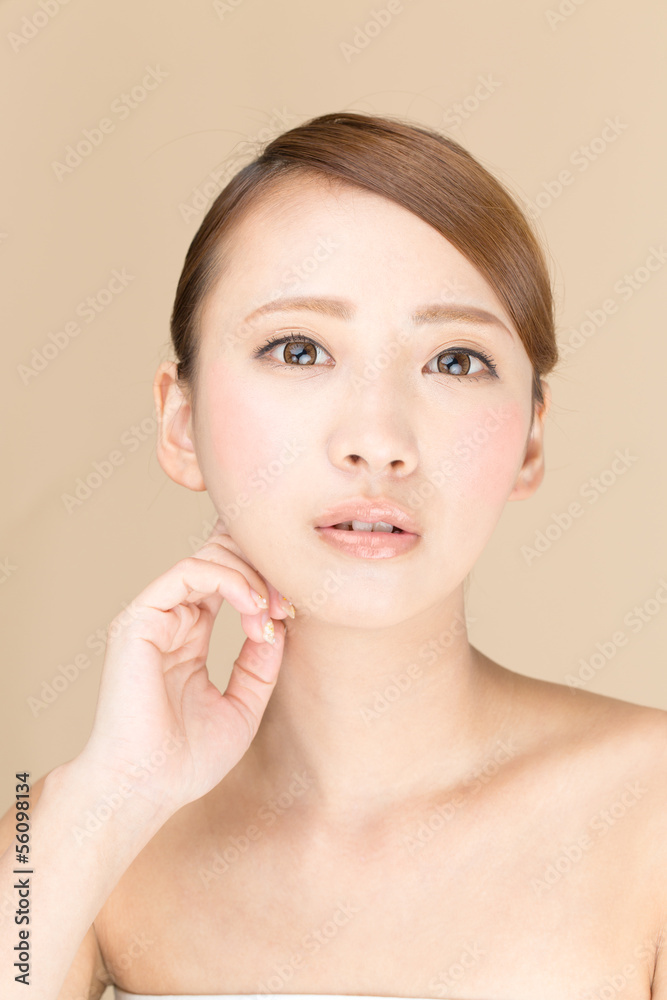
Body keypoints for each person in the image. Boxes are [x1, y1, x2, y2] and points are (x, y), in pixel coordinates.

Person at [1, 110, 666, 1000]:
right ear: (180, 422)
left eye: (455, 361)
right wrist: (107, 801)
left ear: (530, 441)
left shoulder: (651, 811)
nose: (377, 440)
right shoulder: (66, 844)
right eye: (300, 349)